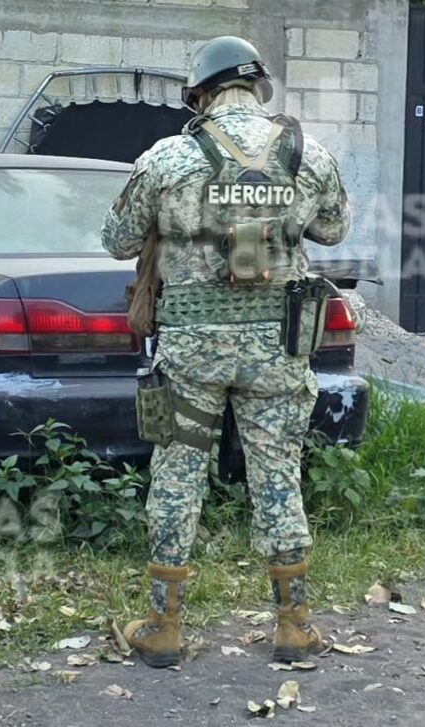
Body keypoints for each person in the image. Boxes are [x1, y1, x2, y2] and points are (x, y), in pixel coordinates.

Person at [102, 35, 351, 668]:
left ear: (200, 94)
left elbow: (117, 239)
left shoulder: (167, 157)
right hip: (278, 347)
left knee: (178, 473)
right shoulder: (308, 155)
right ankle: (294, 626)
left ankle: (163, 627)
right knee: (277, 474)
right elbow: (333, 228)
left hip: (191, 350)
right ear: (257, 88)